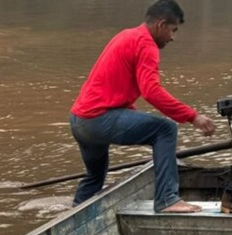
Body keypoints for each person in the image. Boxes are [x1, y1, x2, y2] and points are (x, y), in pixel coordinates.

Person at [69, 0, 216, 213]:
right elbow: (151, 91)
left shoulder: (127, 35)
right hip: (98, 121)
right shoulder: (146, 45)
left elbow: (114, 89)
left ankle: (75, 212)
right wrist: (193, 117)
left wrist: (134, 117)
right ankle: (167, 199)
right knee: (166, 129)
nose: (173, 37)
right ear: (161, 24)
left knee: (94, 177)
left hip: (79, 122)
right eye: (173, 30)